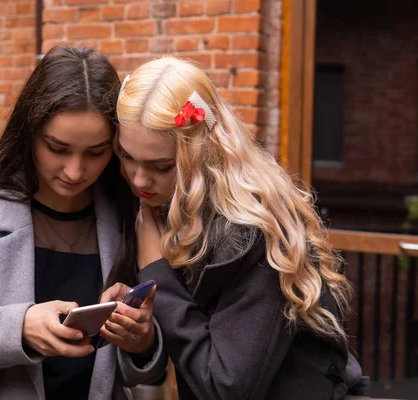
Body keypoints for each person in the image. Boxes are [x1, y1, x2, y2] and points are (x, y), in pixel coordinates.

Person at [0, 46, 167, 400]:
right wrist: (19, 328)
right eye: (57, 148)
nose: (75, 171)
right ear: (29, 132)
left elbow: (142, 369)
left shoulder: (128, 215)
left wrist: (142, 340)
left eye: (95, 152)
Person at [102, 56, 360, 399]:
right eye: (126, 156)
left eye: (161, 166)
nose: (139, 179)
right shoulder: (167, 206)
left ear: (200, 150)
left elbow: (226, 387)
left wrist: (156, 272)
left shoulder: (253, 229)